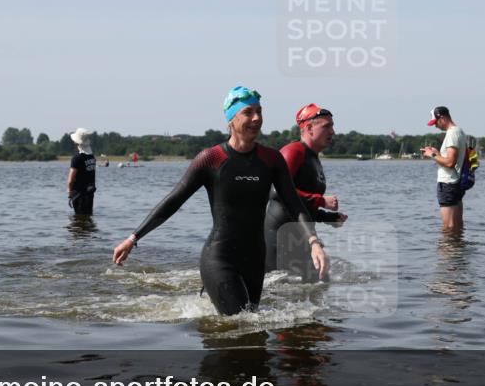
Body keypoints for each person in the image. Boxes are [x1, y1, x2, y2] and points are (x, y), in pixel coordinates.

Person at [113, 86, 329, 315]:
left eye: (259, 111)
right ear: (231, 119)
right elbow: (174, 200)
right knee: (241, 323)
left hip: (255, 260)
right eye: (248, 112)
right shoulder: (212, 159)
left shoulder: (271, 159)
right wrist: (133, 238)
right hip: (220, 257)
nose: (257, 118)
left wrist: (314, 242)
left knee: (252, 328)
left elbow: (293, 203)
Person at [265, 103, 347, 282]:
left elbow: (301, 206)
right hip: (279, 241)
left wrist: (328, 217)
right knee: (277, 298)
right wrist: (321, 200)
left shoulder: (313, 158)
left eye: (332, 126)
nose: (333, 131)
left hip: (301, 239)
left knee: (319, 285)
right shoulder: (294, 151)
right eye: (327, 126)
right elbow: (277, 192)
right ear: (309, 128)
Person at [421, 106, 468, 231]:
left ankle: (448, 250)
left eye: (435, 122)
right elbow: (454, 160)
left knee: (449, 227)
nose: (435, 126)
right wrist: (438, 153)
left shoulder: (452, 133)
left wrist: (432, 155)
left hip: (448, 184)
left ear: (442, 118)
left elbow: (450, 163)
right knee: (457, 226)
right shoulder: (459, 131)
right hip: (456, 183)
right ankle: (458, 249)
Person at [67, 128, 97, 215]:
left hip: (79, 195)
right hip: (90, 193)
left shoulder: (77, 158)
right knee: (88, 217)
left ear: (76, 142)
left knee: (79, 220)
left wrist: (70, 194)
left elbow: (70, 180)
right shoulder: (92, 157)